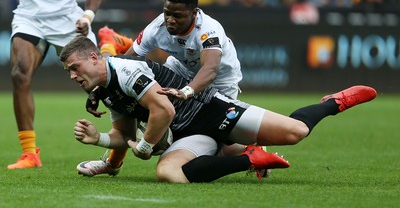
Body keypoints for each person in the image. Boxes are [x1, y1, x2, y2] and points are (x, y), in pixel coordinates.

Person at [60, 36, 376, 183]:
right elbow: (123, 134)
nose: (73, 76)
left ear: (94, 58)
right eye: (68, 72)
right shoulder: (105, 91)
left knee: (296, 132)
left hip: (212, 111)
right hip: (188, 135)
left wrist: (144, 146)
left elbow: (164, 111)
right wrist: (100, 139)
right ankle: (248, 158)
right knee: (169, 173)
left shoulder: (127, 71)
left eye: (75, 68)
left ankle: (334, 103)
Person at [79, 0, 246, 176]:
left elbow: (211, 69)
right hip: (179, 71)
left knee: (213, 146)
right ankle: (112, 162)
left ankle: (248, 148)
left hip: (219, 84)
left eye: (178, 16)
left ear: (194, 13)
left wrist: (187, 92)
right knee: (130, 91)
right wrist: (98, 90)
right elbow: (124, 63)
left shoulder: (208, 29)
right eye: (167, 13)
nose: (170, 20)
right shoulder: (157, 27)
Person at [7, 0, 104, 169]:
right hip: (29, 19)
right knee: (20, 74)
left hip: (69, 22)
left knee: (102, 83)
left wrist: (87, 17)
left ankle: (122, 149)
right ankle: (29, 153)